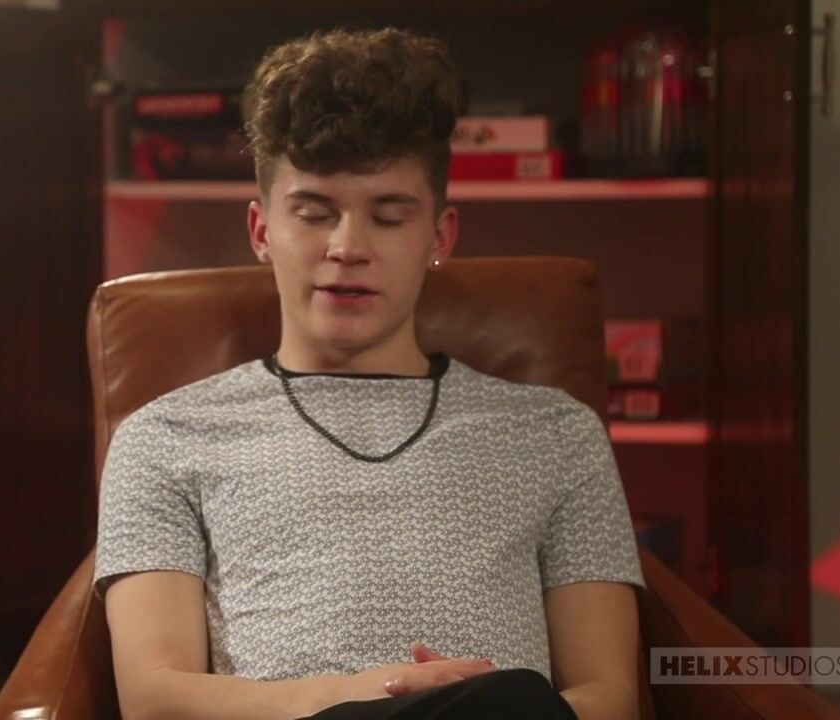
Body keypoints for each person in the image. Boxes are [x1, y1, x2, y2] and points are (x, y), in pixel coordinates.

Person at [94, 27, 645, 720]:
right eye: (313, 214)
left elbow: (610, 698)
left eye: (388, 218)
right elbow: (153, 699)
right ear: (262, 232)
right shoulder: (166, 436)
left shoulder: (556, 433)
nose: (347, 247)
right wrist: (368, 695)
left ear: (439, 236)